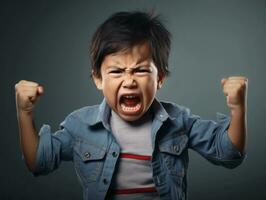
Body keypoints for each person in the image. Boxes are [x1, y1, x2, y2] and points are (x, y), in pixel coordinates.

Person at [15, 11, 247, 200]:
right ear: (98, 79)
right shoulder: (81, 125)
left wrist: (238, 109)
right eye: (116, 71)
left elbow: (229, 153)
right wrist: (24, 113)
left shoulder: (179, 121)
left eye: (141, 70)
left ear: (160, 78)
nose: (129, 81)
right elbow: (39, 161)